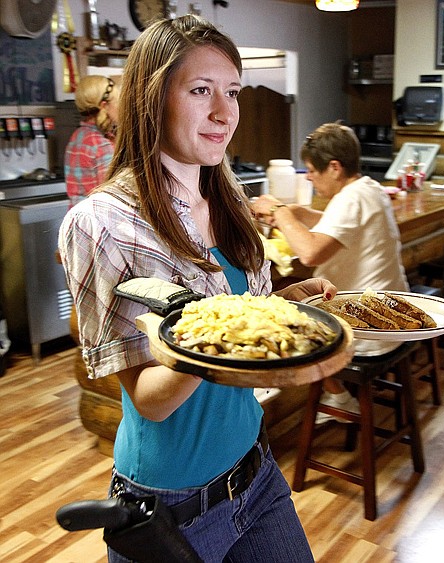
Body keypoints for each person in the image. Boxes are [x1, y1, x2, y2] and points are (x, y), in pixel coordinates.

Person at [58, 16, 339, 562]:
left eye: (231, 91)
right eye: (201, 90)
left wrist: (281, 311)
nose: (225, 112)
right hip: (173, 506)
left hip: (256, 472)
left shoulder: (229, 195)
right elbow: (150, 400)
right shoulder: (101, 224)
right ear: (150, 99)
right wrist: (227, 335)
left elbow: (237, 321)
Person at [251, 122, 409, 423]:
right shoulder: (368, 188)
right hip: (389, 315)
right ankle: (336, 392)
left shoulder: (351, 198)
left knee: (284, 326)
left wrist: (280, 212)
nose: (308, 177)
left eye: (311, 170)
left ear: (334, 167)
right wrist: (302, 214)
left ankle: (339, 398)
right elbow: (343, 225)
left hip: (369, 328)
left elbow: (310, 252)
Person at [64, 74, 120, 206]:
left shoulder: (78, 136)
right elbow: (113, 197)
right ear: (104, 106)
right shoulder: (100, 145)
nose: (119, 108)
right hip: (98, 221)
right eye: (117, 102)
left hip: (78, 218)